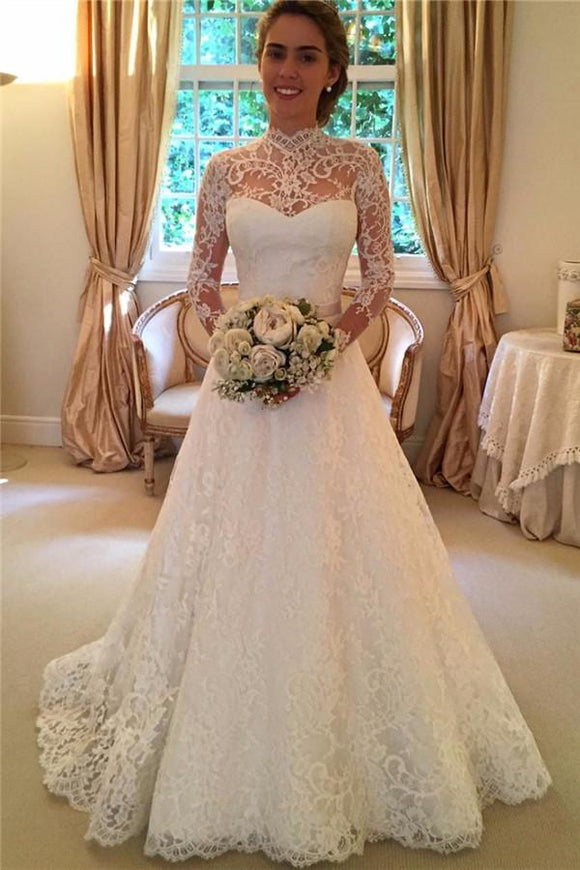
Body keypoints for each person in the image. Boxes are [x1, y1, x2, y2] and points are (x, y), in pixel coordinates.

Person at [37, 1, 551, 866]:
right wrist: (241, 344)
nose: (287, 69)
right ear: (262, 62)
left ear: (333, 71)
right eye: (276, 52)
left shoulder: (360, 162)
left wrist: (315, 350)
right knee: (229, 545)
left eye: (307, 56)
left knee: (343, 544)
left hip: (329, 384)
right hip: (241, 387)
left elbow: (379, 280)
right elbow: (203, 281)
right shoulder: (224, 167)